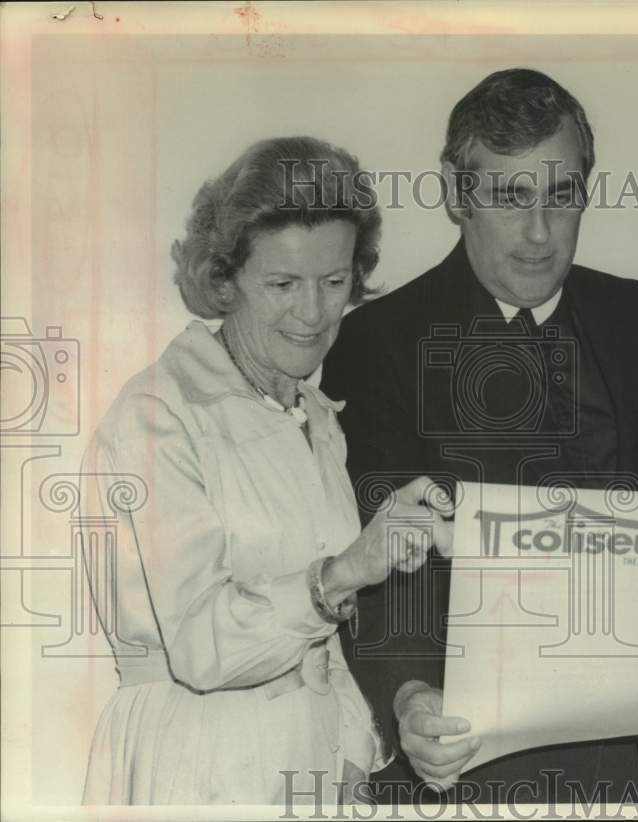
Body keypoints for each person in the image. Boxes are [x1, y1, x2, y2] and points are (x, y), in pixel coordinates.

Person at [323, 68, 638, 803]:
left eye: (561, 197)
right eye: (510, 198)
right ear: (457, 196)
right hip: (464, 759)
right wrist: (407, 698)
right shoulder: (378, 340)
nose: (539, 233)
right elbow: (379, 546)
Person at [79, 136, 454, 805]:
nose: (313, 314)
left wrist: (374, 739)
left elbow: (319, 651)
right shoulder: (157, 415)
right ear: (225, 279)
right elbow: (203, 647)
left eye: (334, 282)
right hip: (195, 767)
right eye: (283, 284)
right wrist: (345, 570)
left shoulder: (313, 415)